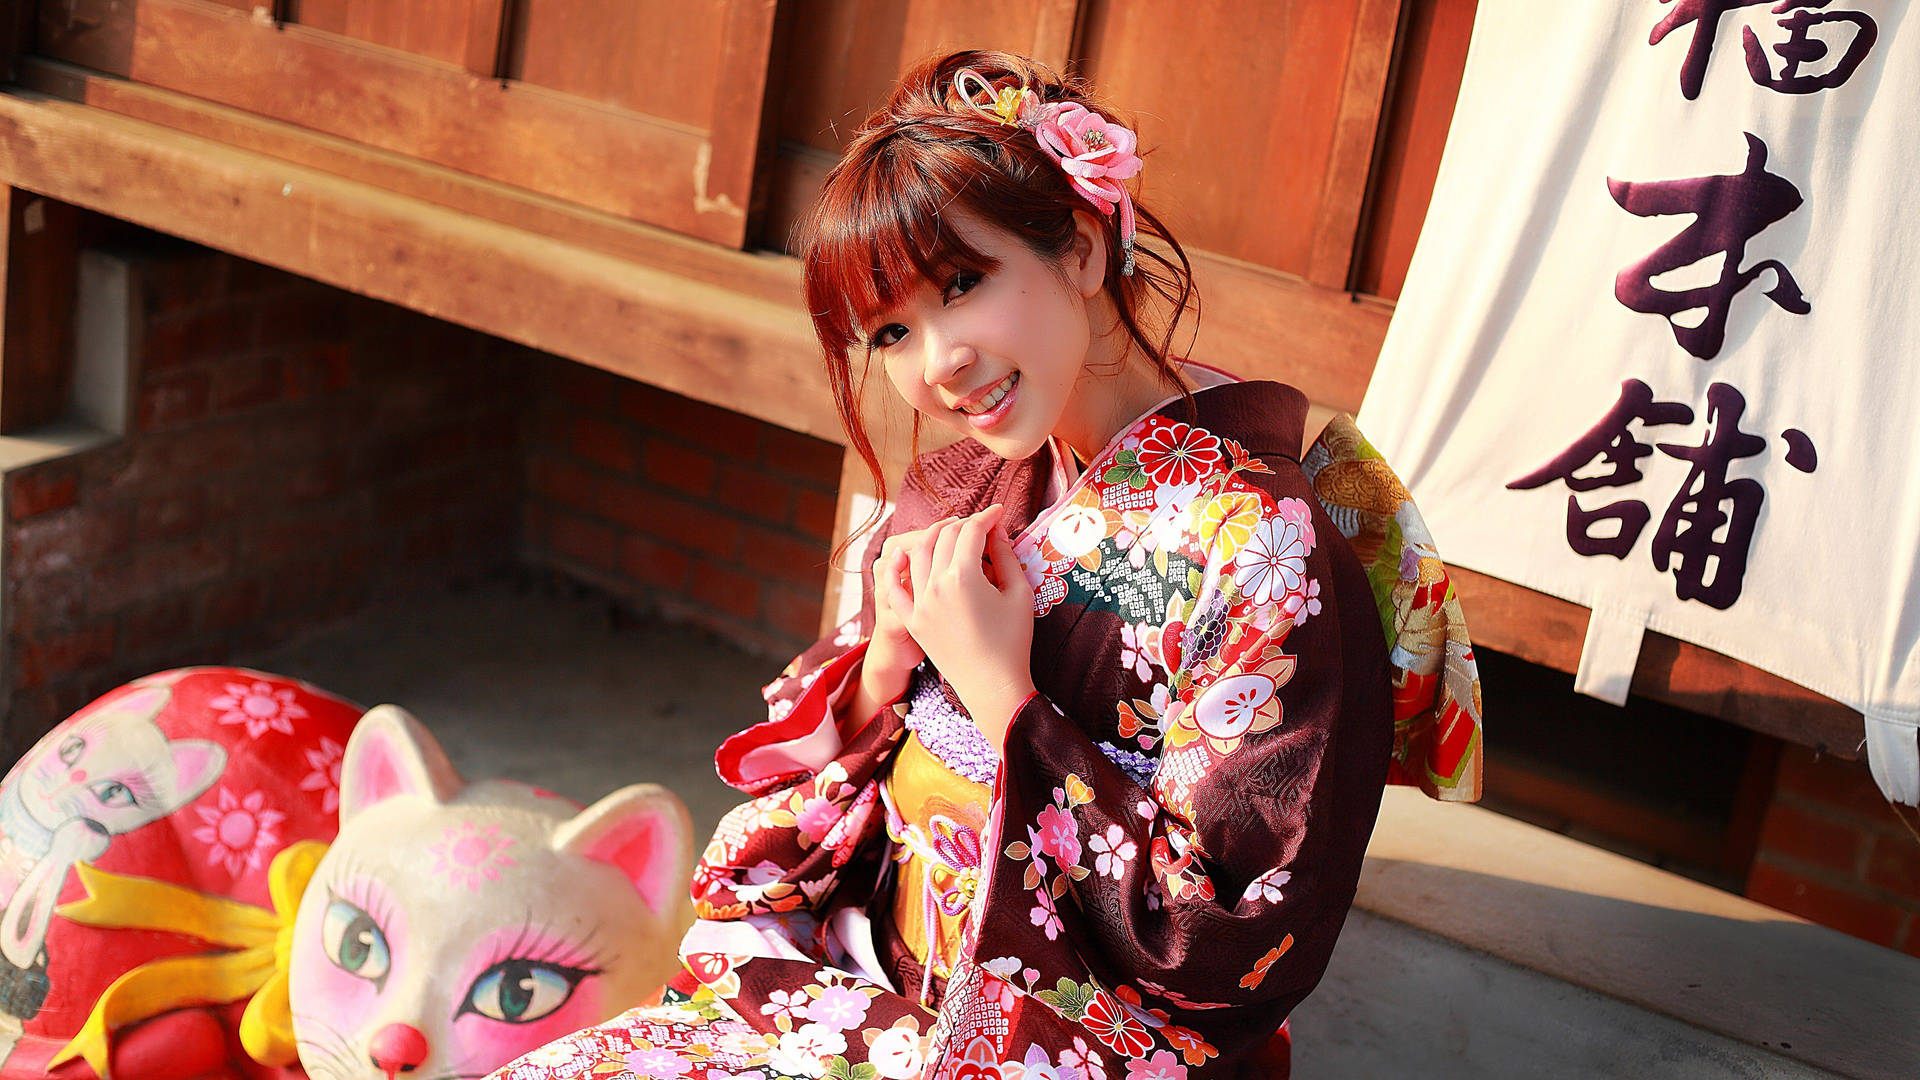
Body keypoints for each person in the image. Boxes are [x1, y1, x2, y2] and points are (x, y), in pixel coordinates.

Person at [494, 49, 1483, 1080]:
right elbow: (829, 747)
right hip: (871, 984)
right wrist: (884, 661)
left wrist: (1004, 699)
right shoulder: (968, 480)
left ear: (1087, 248)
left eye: (963, 284)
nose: (938, 364)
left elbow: (1225, 935)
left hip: (1063, 1041)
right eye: (890, 331)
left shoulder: (1266, 552)